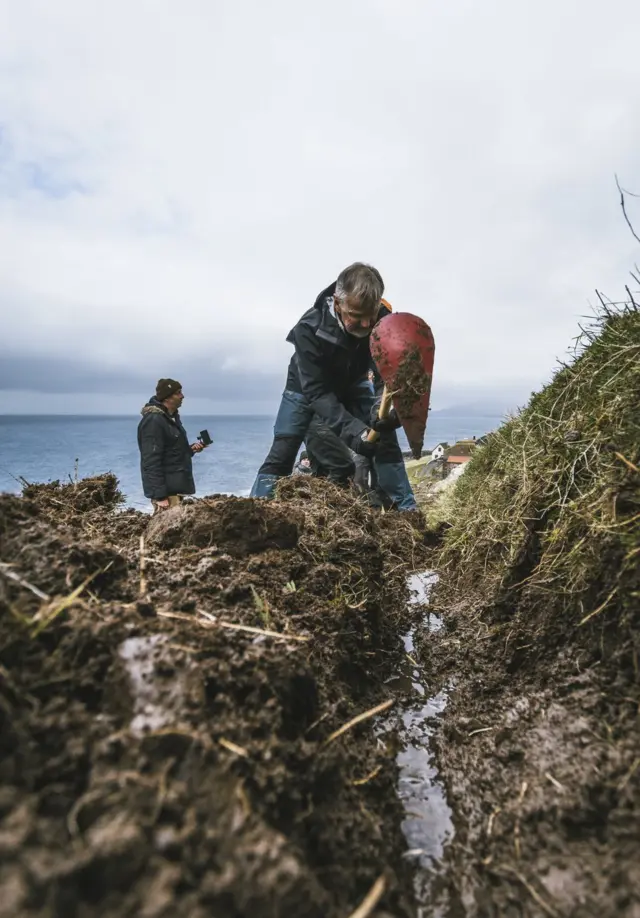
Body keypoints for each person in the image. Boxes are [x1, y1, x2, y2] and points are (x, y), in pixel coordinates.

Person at [250, 263, 416, 510]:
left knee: (385, 439)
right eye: (356, 316)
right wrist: (355, 432)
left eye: (369, 315)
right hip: (305, 387)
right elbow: (317, 393)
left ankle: (407, 513)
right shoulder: (308, 328)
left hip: (355, 381)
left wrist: (385, 408)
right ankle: (254, 512)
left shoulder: (382, 320)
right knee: (284, 449)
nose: (365, 324)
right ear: (338, 303)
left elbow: (386, 370)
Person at [137, 378, 204, 512]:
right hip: (166, 494)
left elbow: (172, 451)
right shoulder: (154, 421)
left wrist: (190, 450)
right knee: (167, 531)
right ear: (167, 397)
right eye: (178, 393)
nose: (182, 396)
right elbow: (150, 460)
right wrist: (160, 496)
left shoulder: (170, 418)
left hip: (175, 490)